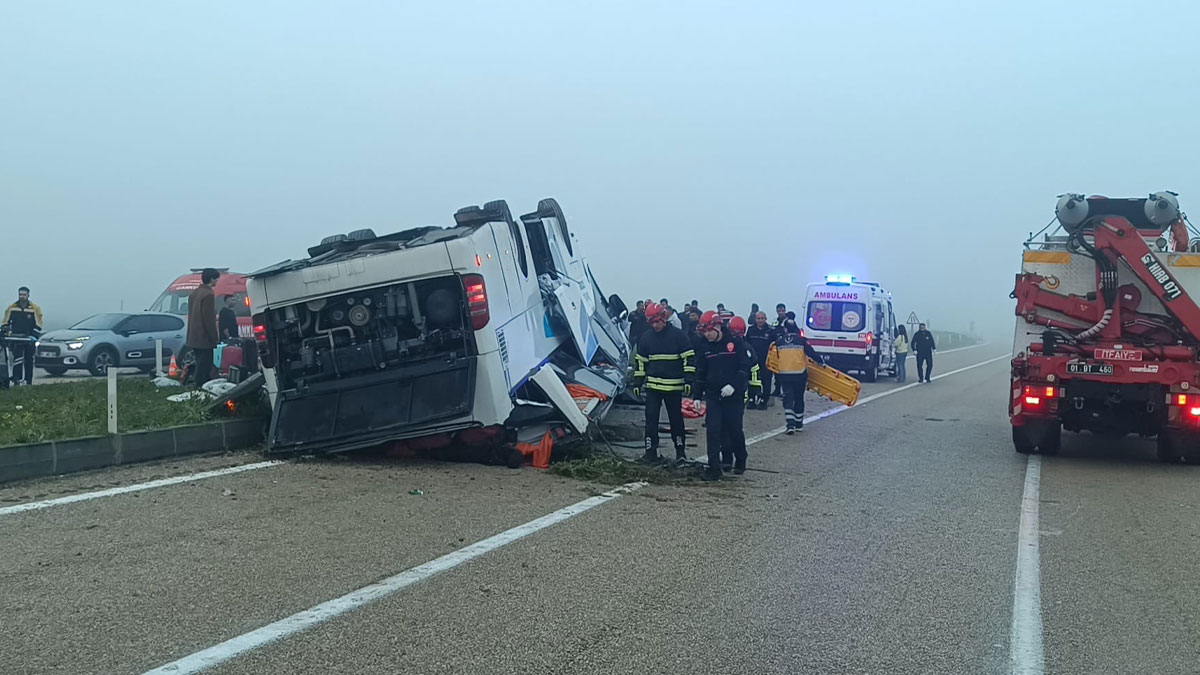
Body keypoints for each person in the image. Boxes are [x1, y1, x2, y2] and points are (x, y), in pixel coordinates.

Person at [692, 310, 754, 480]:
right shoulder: (704, 346)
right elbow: (701, 372)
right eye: (703, 332)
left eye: (709, 331)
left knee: (734, 430)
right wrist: (696, 396)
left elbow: (744, 367)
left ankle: (740, 459)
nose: (707, 335)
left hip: (733, 396)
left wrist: (734, 385)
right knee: (713, 431)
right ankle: (714, 468)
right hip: (713, 396)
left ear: (718, 326)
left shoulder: (735, 343)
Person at [632, 302, 695, 464]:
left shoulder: (679, 335)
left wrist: (689, 381)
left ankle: (680, 452)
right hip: (653, 387)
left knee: (676, 420)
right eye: (652, 322)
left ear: (664, 318)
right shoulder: (646, 337)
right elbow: (641, 363)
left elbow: (688, 359)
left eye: (657, 321)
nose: (655, 325)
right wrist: (637, 383)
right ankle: (650, 451)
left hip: (674, 387)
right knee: (651, 419)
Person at [767, 312, 822, 434]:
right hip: (799, 375)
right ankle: (798, 424)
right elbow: (812, 354)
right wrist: (821, 362)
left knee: (788, 398)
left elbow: (774, 358)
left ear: (785, 328)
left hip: (784, 375)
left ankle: (790, 425)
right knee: (798, 399)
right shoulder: (801, 341)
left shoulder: (779, 341)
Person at [186, 268, 221, 386]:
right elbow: (209, 320)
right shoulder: (209, 294)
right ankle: (201, 389)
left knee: (199, 363)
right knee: (204, 367)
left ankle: (198, 387)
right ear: (211, 279)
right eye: (216, 279)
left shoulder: (194, 293)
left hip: (194, 337)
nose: (217, 281)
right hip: (204, 338)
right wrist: (214, 338)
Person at [3, 286, 43, 386]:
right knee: (17, 359)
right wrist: (6, 332)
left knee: (29, 360)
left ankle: (28, 381)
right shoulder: (12, 307)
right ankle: (17, 379)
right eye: (20, 294)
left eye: (24, 295)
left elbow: (39, 323)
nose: (22, 297)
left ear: (28, 295)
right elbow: (5, 322)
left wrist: (34, 336)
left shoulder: (35, 308)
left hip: (29, 338)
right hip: (16, 337)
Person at [745, 311, 775, 410]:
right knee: (752, 380)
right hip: (753, 361)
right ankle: (752, 399)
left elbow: (775, 346)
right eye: (758, 318)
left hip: (766, 360)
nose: (760, 320)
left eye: (762, 318)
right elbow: (747, 344)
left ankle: (763, 401)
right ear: (755, 319)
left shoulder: (771, 330)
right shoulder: (750, 330)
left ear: (766, 319)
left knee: (766, 381)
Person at [771, 303, 788, 397]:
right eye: (779, 311)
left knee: (785, 371)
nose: (780, 312)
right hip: (777, 348)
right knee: (776, 370)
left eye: (782, 310)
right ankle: (777, 390)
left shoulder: (789, 321)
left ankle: (785, 391)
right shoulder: (775, 321)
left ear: (785, 310)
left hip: (786, 349)